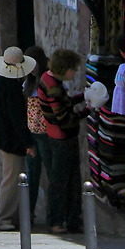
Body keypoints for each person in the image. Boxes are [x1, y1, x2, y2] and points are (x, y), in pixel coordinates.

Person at [38, 48, 89, 234]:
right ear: (64, 68)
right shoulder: (54, 88)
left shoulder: (46, 78)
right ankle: (60, 221)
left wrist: (82, 97)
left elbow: (64, 103)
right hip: (62, 139)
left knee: (65, 181)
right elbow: (64, 118)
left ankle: (67, 220)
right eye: (72, 69)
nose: (74, 72)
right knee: (64, 182)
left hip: (55, 136)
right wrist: (88, 110)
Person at [0, 46, 37, 230]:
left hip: (3, 137)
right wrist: (28, 142)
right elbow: (16, 118)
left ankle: (13, 216)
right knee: (11, 178)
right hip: (10, 140)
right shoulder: (11, 87)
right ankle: (2, 218)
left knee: (13, 177)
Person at [23, 46, 49, 222]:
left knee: (51, 173)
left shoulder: (46, 81)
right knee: (32, 175)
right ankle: (29, 213)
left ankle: (53, 214)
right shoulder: (27, 83)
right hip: (32, 134)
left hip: (46, 134)